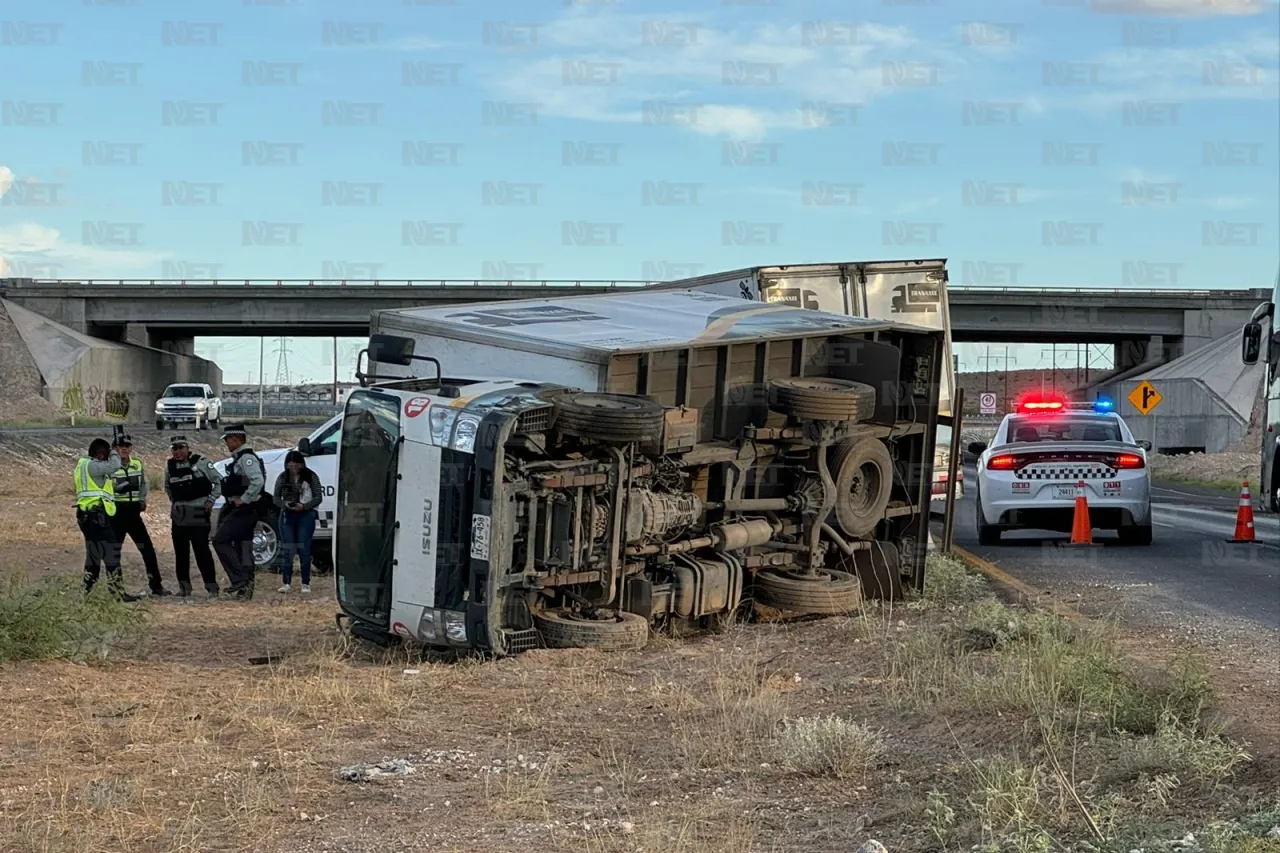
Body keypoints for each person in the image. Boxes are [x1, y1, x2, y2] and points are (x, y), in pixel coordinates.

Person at [74, 437, 139, 601]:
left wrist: (121, 487)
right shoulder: (93, 465)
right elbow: (115, 466)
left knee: (94, 556)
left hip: (88, 517)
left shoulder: (83, 466)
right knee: (111, 554)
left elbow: (104, 485)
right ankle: (117, 593)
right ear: (101, 455)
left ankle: (88, 592)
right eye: (107, 454)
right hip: (96, 517)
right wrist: (114, 450)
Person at [109, 434, 170, 597]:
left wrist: (142, 499)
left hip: (133, 512)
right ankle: (117, 591)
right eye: (120, 446)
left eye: (127, 446)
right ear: (114, 449)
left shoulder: (137, 464)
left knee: (148, 550)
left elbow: (143, 484)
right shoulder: (109, 467)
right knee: (114, 552)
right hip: (116, 512)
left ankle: (156, 586)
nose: (124, 449)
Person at [164, 435, 223, 602]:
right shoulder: (170, 468)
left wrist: (211, 500)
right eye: (174, 449)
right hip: (180, 514)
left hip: (198, 512)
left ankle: (211, 587)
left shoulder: (201, 463)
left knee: (202, 551)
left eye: (181, 448)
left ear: (188, 448)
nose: (178, 452)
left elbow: (218, 481)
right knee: (181, 553)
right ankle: (184, 588)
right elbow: (168, 488)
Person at [212, 423, 266, 600]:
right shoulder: (240, 458)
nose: (226, 444)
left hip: (244, 509)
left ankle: (239, 578)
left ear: (235, 439)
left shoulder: (246, 458)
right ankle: (246, 588)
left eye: (228, 440)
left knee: (220, 540)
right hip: (244, 508)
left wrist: (244, 499)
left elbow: (257, 481)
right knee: (243, 546)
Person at [272, 450, 324, 594]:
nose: (294, 469)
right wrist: (285, 505)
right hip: (287, 516)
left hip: (306, 515)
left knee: (304, 549)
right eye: (291, 466)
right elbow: (275, 497)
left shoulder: (311, 476)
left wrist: (305, 506)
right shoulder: (282, 477)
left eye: (297, 465)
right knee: (288, 549)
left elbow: (318, 497)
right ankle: (286, 582)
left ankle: (305, 583)